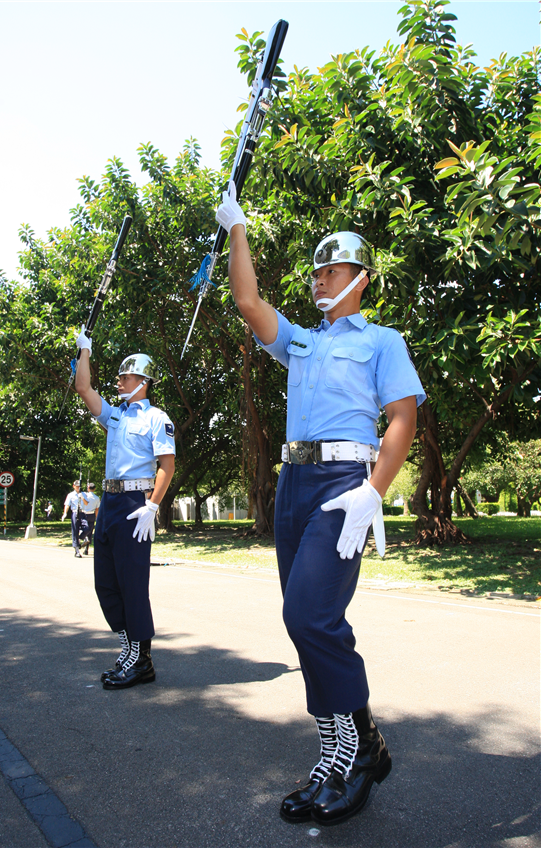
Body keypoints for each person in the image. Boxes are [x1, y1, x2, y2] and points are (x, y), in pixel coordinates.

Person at [216, 183, 426, 827]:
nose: (316, 279)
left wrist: (372, 492)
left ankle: (360, 751)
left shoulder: (383, 340)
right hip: (294, 483)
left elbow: (402, 418)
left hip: (343, 483)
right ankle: (338, 750)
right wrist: (237, 228)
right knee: (302, 619)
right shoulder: (302, 341)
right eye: (312, 271)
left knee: (312, 615)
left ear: (359, 279)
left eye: (329, 269)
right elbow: (248, 302)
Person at [74, 334, 175, 690]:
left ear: (143, 382)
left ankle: (142, 659)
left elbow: (167, 465)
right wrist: (85, 349)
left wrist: (152, 506)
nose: (118, 381)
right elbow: (83, 388)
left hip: (135, 505)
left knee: (132, 585)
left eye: (125, 377)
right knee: (106, 584)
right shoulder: (114, 416)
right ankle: (128, 648)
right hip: (110, 503)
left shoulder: (156, 418)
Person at [61, 481, 87, 558]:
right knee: (75, 530)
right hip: (75, 513)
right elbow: (67, 504)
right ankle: (77, 551)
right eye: (76, 486)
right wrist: (65, 513)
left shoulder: (83, 494)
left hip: (82, 513)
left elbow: (86, 503)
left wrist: (82, 497)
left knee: (87, 528)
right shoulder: (70, 495)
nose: (78, 487)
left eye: (79, 486)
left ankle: (80, 537)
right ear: (73, 486)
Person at [80, 482, 100, 556]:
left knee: (82, 528)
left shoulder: (85, 495)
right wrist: (97, 517)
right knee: (90, 532)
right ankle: (86, 550)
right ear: (94, 489)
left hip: (84, 514)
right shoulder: (97, 498)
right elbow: (97, 509)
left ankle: (83, 538)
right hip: (92, 515)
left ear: (88, 488)